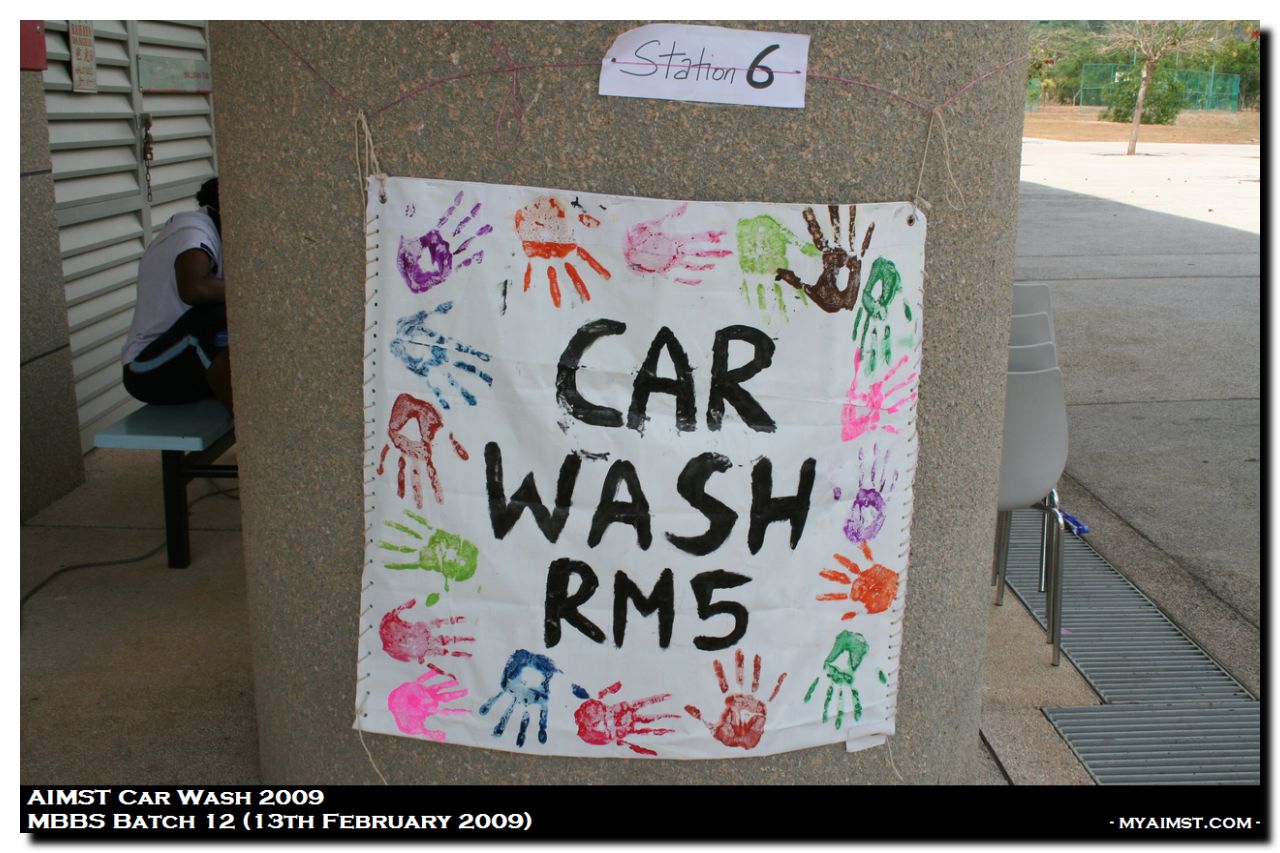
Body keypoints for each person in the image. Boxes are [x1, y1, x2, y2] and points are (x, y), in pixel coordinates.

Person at [120, 177, 232, 414]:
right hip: (146, 370)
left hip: (189, 364)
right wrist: (254, 292)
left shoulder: (222, 236)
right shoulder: (193, 228)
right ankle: (248, 428)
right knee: (214, 317)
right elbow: (194, 289)